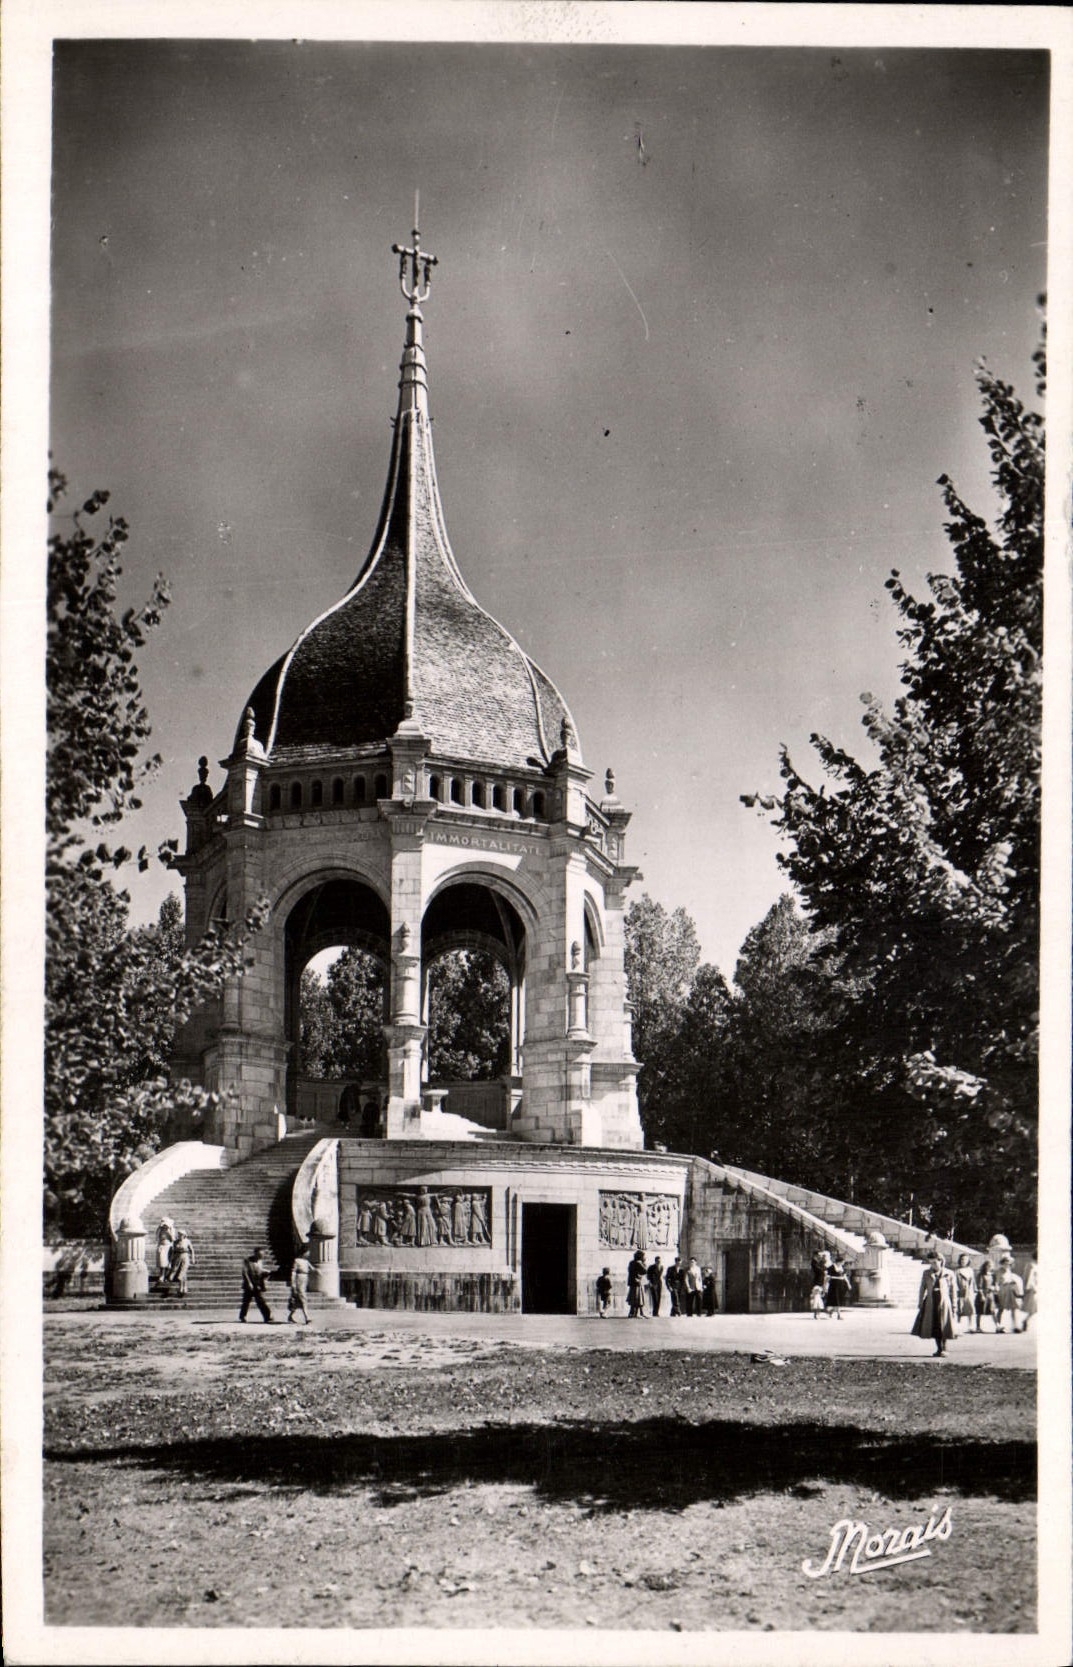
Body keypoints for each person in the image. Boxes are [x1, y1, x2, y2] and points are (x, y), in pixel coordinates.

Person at [910, 1253, 957, 1356]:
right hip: (931, 1303)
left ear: (941, 1261)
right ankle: (939, 1349)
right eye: (931, 1263)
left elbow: (953, 1291)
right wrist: (920, 1302)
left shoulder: (949, 1273)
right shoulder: (926, 1273)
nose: (933, 1265)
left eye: (935, 1262)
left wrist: (954, 1305)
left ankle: (945, 1348)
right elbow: (922, 1288)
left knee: (944, 1325)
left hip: (944, 1303)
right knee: (934, 1325)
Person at [239, 1247, 275, 1323]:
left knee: (261, 1301)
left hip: (257, 1284)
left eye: (262, 1255)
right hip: (249, 1284)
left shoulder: (260, 1261)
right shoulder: (248, 1260)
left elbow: (259, 1270)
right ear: (255, 1253)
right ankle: (242, 1316)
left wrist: (266, 1272)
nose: (261, 1256)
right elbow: (245, 1272)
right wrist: (249, 1283)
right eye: (259, 1255)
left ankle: (267, 1317)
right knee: (246, 1301)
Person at [996, 1254, 1025, 1333]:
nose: (1007, 1264)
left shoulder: (1009, 1271)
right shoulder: (999, 1271)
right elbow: (997, 1283)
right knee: (1001, 1309)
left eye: (1009, 1263)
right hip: (1003, 1291)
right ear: (1002, 1263)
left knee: (1014, 1308)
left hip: (1011, 1292)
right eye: (1005, 1263)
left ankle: (1015, 1326)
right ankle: (998, 1326)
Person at [288, 1246, 312, 1324]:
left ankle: (290, 1316)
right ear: (303, 1253)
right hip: (299, 1279)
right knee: (303, 1298)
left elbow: (312, 1269)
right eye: (307, 1252)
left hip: (305, 1279)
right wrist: (293, 1283)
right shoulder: (297, 1260)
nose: (308, 1254)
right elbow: (293, 1272)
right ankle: (307, 1317)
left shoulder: (306, 1261)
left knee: (298, 1301)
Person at [953, 1253, 977, 1332]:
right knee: (960, 1310)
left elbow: (973, 1282)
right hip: (960, 1292)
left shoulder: (970, 1270)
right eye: (962, 1259)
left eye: (965, 1259)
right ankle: (958, 1327)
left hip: (969, 1292)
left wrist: (974, 1291)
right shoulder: (957, 1270)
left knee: (970, 1309)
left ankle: (971, 1326)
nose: (964, 1261)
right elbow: (954, 1282)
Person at [975, 1258, 999, 1332]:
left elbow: (995, 1284)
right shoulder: (981, 1275)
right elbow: (979, 1286)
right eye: (988, 1265)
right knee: (979, 1311)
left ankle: (997, 1326)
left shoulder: (993, 1275)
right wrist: (982, 1295)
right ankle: (978, 1327)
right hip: (982, 1294)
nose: (990, 1267)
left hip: (990, 1295)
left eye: (991, 1266)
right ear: (985, 1266)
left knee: (993, 1311)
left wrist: (995, 1287)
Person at [169, 1229, 195, 1297]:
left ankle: (183, 1287)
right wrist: (171, 1260)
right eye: (179, 1234)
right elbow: (173, 1252)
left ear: (184, 1235)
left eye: (181, 1235)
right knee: (181, 1272)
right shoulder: (175, 1242)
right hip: (177, 1257)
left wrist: (193, 1258)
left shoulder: (187, 1241)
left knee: (183, 1271)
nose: (180, 1236)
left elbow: (192, 1250)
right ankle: (182, 1287)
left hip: (185, 1257)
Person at [155, 1218, 176, 1288]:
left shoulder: (171, 1230)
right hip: (162, 1246)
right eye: (164, 1225)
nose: (165, 1226)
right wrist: (159, 1229)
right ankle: (161, 1275)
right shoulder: (160, 1229)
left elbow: (173, 1239)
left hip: (168, 1246)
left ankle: (166, 1276)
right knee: (162, 1262)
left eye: (166, 1225)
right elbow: (157, 1238)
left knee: (168, 1263)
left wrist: (169, 1232)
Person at [627, 1249, 648, 1318]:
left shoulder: (631, 1262)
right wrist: (644, 1263)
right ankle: (637, 1313)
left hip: (633, 1282)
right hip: (637, 1282)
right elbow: (645, 1271)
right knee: (638, 1298)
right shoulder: (638, 1263)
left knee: (634, 1298)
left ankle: (633, 1313)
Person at [1023, 1256, 1038, 1331]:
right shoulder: (1032, 1265)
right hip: (1033, 1289)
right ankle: (1025, 1321)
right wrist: (1030, 1287)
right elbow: (1030, 1277)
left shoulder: (1035, 1265)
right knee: (1034, 1308)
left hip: (1036, 1288)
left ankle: (1026, 1320)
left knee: (1035, 1308)